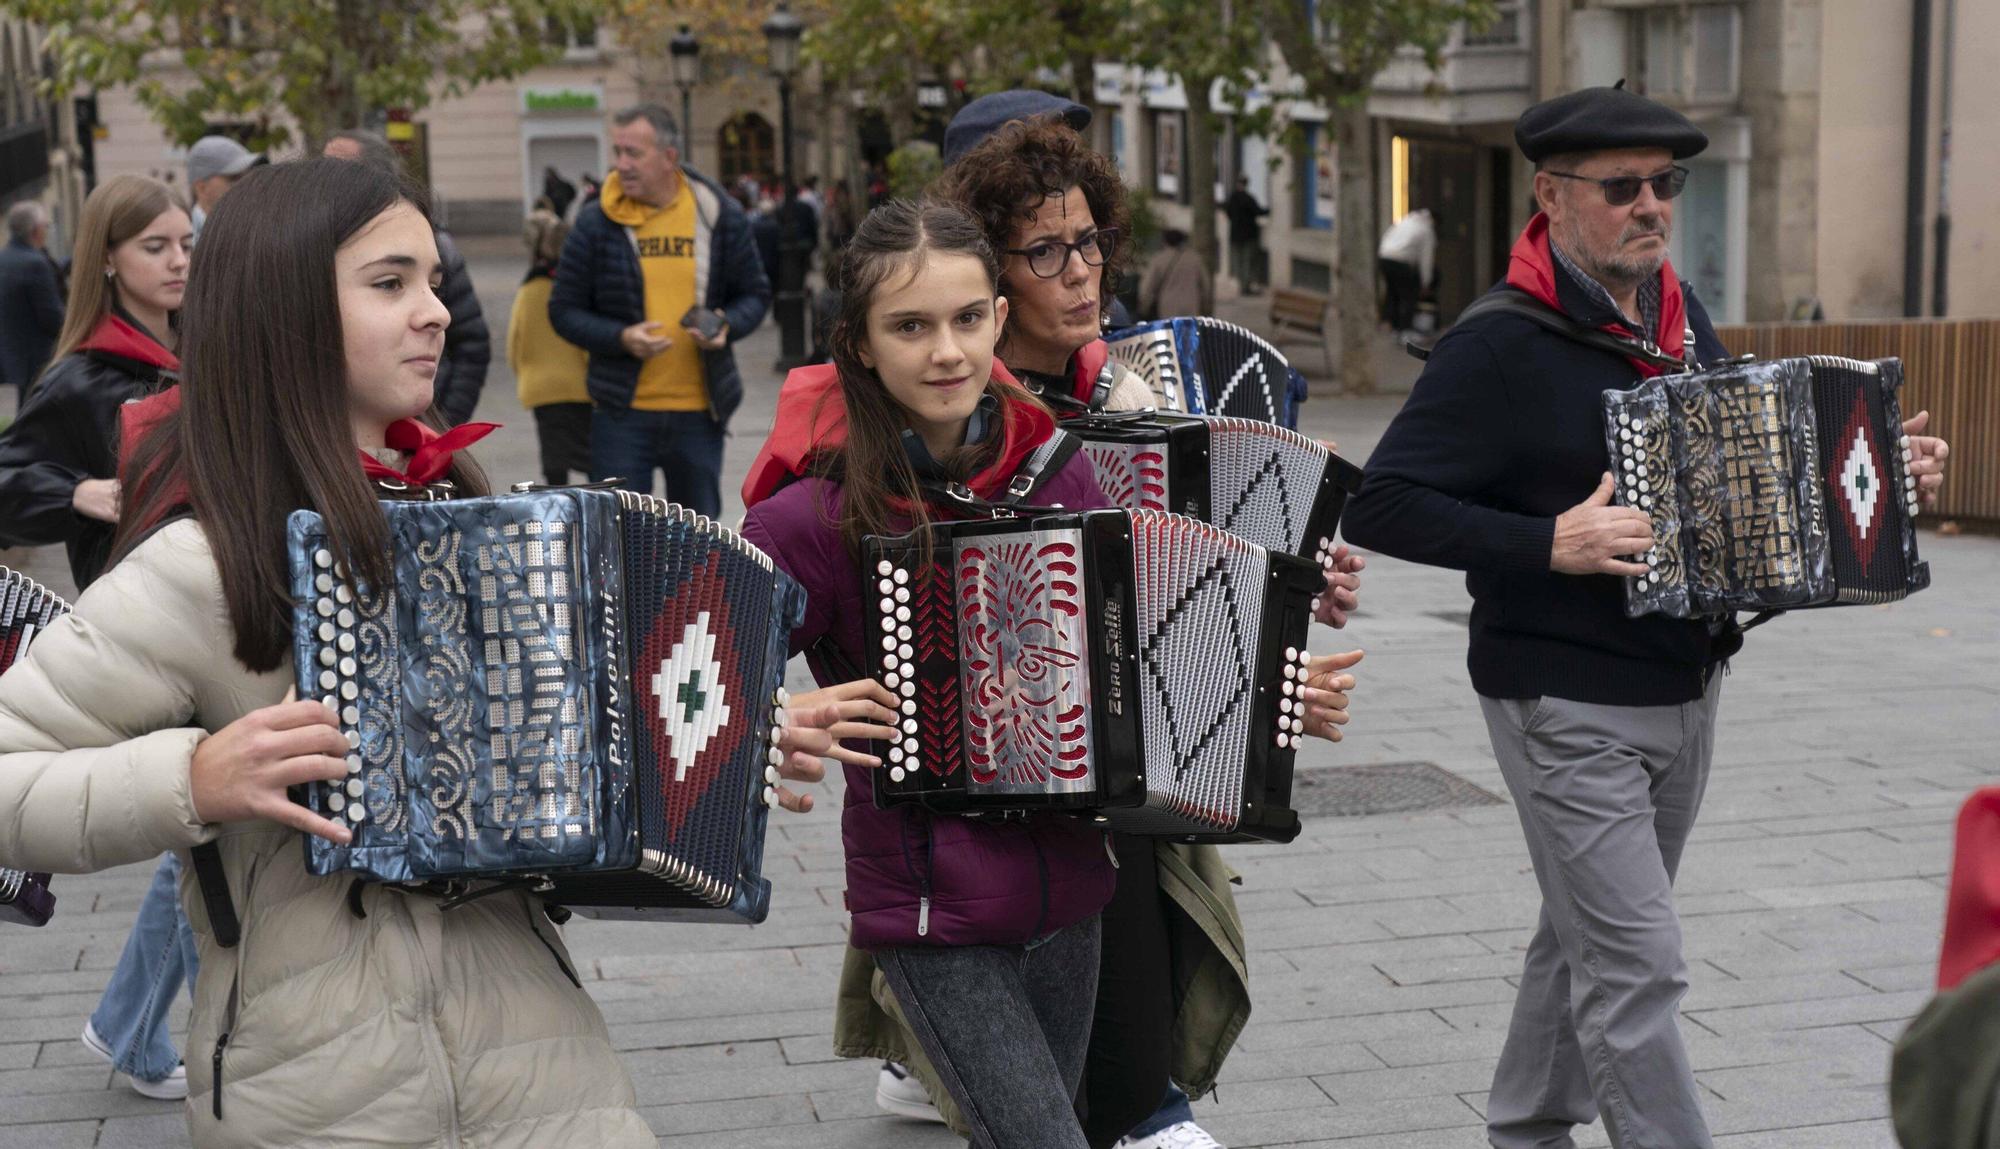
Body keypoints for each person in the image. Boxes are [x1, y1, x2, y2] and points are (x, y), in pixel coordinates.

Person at [0, 156, 849, 1146]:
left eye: (433, 280)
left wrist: (729, 735)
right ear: (285, 312)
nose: (436, 310)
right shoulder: (205, 564)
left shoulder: (473, 520)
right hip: (318, 1091)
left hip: (539, 1057)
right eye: (389, 282)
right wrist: (193, 775)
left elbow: (566, 753)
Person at [1340, 84, 1951, 1149]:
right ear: (1550, 195)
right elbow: (1378, 498)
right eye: (1620, 188)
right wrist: (1545, 542)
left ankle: (1526, 1127)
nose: (1649, 207)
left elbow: (1745, 477)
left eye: (1663, 185)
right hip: (1561, 697)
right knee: (1639, 965)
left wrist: (1878, 477)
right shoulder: (1495, 343)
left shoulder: (1674, 317)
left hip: (1682, 685)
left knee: (1584, 934)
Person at [916, 93, 1363, 1149]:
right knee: (1107, 1079)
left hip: (1132, 779)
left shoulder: (1120, 385)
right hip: (1018, 787)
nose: (1080, 272)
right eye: (1045, 253)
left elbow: (1196, 561)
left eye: (1089, 242)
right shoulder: (951, 413)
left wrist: (1293, 586)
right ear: (987, 275)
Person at [742, 197, 1120, 1148]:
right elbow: (680, 674)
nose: (945, 351)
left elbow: (1133, 653)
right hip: (929, 904)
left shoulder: (1060, 472)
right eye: (909, 326)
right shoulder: (809, 517)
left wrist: (1262, 694)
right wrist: (772, 712)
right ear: (859, 345)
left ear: (1000, 316)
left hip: (1073, 886)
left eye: (964, 319)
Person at [0, 175, 197, 1104]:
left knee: (211, 825)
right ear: (108, 259)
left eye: (185, 243)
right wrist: (78, 491)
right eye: (154, 246)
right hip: (142, 624)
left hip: (213, 606)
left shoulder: (195, 347)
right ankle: (149, 1031)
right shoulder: (84, 373)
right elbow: (9, 474)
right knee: (215, 818)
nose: (176, 260)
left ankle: (129, 1026)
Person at [549, 104, 769, 518]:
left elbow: (755, 295)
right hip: (621, 414)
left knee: (698, 542)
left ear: (669, 157)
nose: (621, 165)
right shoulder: (596, 221)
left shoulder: (715, 213)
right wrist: (621, 338)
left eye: (633, 153)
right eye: (617, 153)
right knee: (618, 538)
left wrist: (727, 325)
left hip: (700, 414)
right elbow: (563, 311)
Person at [323, 128, 491, 426]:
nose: (438, 315)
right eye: (389, 284)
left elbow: (472, 346)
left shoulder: (437, 245)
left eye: (435, 287)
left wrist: (440, 428)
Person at [510, 208, 591, 485]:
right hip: (578, 385)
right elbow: (584, 341)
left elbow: (514, 342)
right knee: (586, 449)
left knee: (552, 449)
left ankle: (556, 495)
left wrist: (524, 373)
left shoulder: (528, 290)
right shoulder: (574, 291)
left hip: (540, 387)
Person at [0, 200, 66, 410]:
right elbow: (52, 317)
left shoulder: (5, 258)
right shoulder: (35, 263)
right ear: (36, 230)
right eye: (45, 226)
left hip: (13, 353)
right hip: (38, 357)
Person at [184, 135, 264, 241]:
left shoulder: (254, 232)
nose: (246, 185)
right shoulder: (184, 242)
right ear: (202, 188)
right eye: (234, 178)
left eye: (248, 177)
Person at [1376, 207, 1435, 333]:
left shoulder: (1404, 221)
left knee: (1391, 292)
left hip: (1384, 257)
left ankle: (1388, 322)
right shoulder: (1426, 229)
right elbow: (1426, 259)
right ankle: (1405, 329)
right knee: (1408, 296)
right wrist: (1426, 283)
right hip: (1401, 262)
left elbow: (1386, 238)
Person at [1137, 227, 1212, 321]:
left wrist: (1144, 307)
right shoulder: (1195, 258)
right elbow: (1206, 285)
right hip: (1191, 306)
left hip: (1167, 308)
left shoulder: (1159, 259)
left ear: (1165, 241)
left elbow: (1147, 287)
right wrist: (1205, 305)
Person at [1222, 176, 1268, 296]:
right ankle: (1245, 286)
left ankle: (1242, 284)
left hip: (1235, 234)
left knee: (1238, 260)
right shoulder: (1248, 199)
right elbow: (1259, 212)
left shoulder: (1232, 198)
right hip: (1248, 235)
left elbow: (1227, 212)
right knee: (1247, 261)